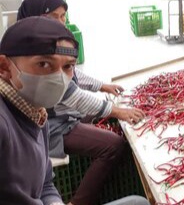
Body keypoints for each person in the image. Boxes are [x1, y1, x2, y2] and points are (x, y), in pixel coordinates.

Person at [0, 17, 149, 205]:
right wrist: (116, 111)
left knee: (138, 202)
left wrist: (54, 202)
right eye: (44, 64)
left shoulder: (37, 113)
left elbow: (45, 183)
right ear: (4, 67)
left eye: (68, 66)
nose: (58, 78)